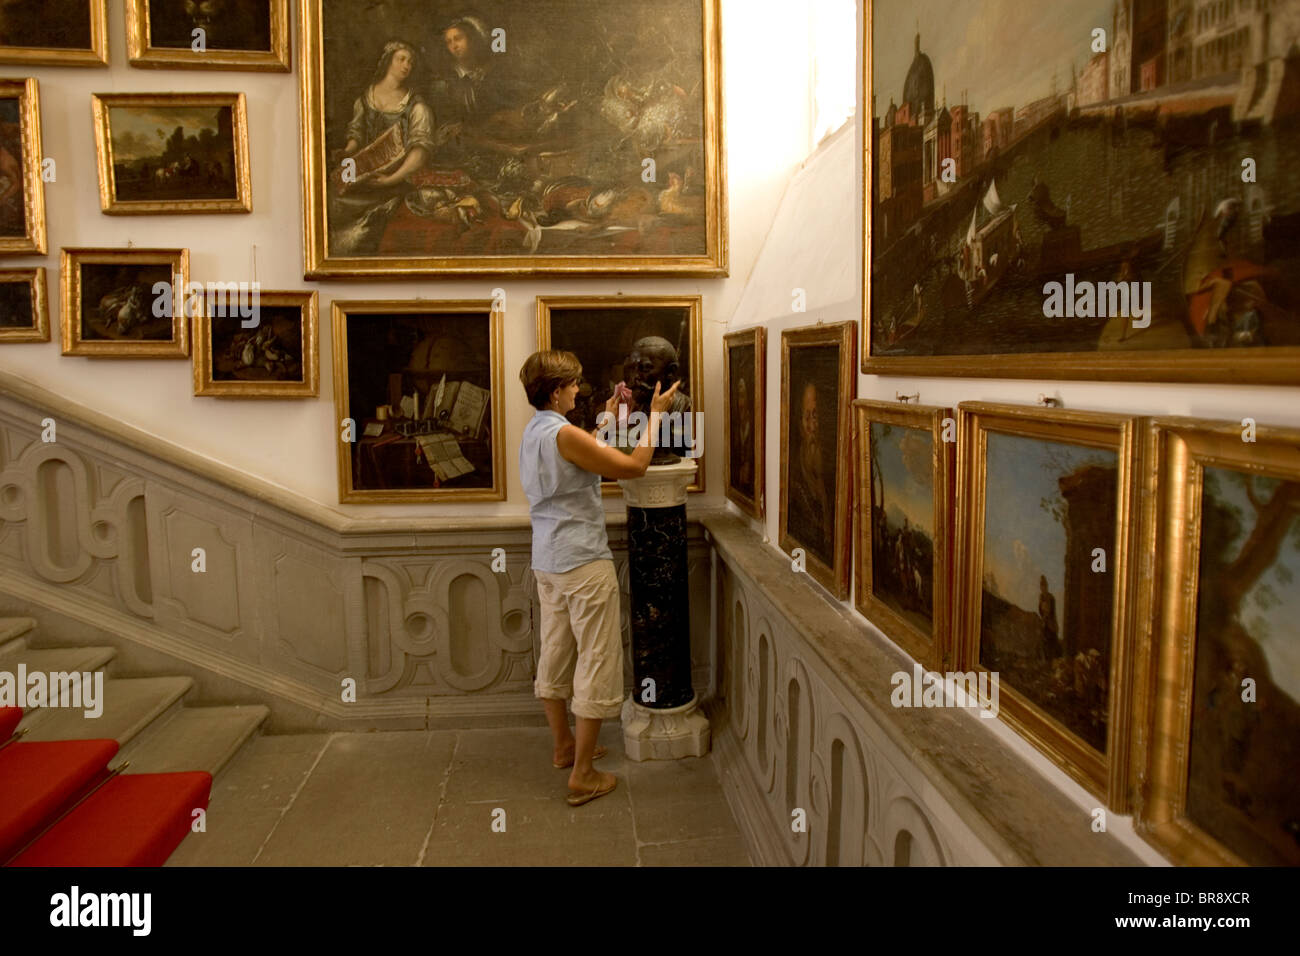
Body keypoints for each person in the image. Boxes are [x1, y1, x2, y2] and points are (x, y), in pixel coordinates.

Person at [518, 350, 679, 807]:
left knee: (556, 651)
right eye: (573, 385)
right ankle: (583, 773)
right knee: (596, 659)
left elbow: (578, 458)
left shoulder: (536, 431)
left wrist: (606, 425)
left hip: (549, 562)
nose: (578, 390)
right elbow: (633, 467)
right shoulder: (564, 433)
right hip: (583, 564)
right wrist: (655, 418)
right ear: (555, 391)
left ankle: (565, 748)